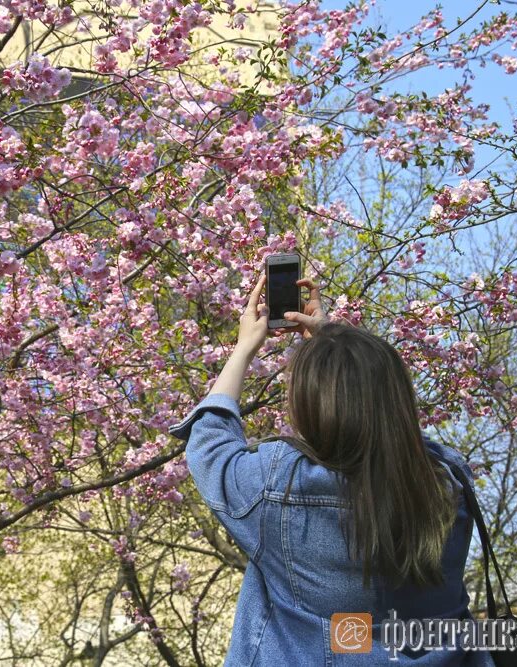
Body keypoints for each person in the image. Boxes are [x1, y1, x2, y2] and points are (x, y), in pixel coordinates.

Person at [168, 273, 495, 665]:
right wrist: (339, 348)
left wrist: (244, 348)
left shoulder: (280, 487)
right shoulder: (448, 488)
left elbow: (209, 444)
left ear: (308, 407)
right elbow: (398, 437)